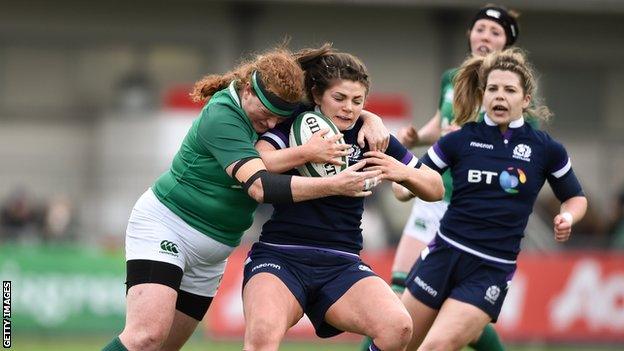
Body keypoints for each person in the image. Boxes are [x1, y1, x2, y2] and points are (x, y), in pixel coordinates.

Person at [101, 47, 388, 351]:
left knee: (165, 347)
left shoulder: (278, 104)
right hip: (169, 226)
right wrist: (326, 176)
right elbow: (260, 187)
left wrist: (370, 118)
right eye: (264, 117)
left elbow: (336, 105)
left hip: (213, 251)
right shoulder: (222, 115)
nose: (269, 126)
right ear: (248, 90)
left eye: (278, 120)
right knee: (146, 338)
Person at [241, 45, 444, 351]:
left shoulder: (370, 135)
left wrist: (400, 171)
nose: (349, 108)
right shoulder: (297, 123)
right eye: (339, 98)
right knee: (261, 338)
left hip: (341, 261)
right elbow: (260, 162)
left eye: (357, 101)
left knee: (398, 327)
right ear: (317, 95)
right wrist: (309, 154)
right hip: (281, 255)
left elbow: (436, 187)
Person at [399, 48, 587, 351]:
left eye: (510, 90)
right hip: (443, 254)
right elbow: (411, 182)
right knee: (397, 340)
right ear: (482, 95)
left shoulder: (545, 149)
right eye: (493, 89)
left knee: (434, 347)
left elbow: (575, 198)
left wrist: (567, 217)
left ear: (525, 100)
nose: (500, 96)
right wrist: (401, 179)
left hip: (490, 269)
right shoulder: (458, 139)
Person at [379, 5, 522, 350]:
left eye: (495, 32)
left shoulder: (505, 89)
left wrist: (472, 137)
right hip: (433, 193)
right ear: (470, 33)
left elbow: (516, 147)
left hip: (465, 207)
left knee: (450, 316)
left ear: (507, 44)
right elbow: (444, 121)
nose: (485, 36)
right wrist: (417, 135)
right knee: (397, 294)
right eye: (480, 28)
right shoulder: (452, 77)